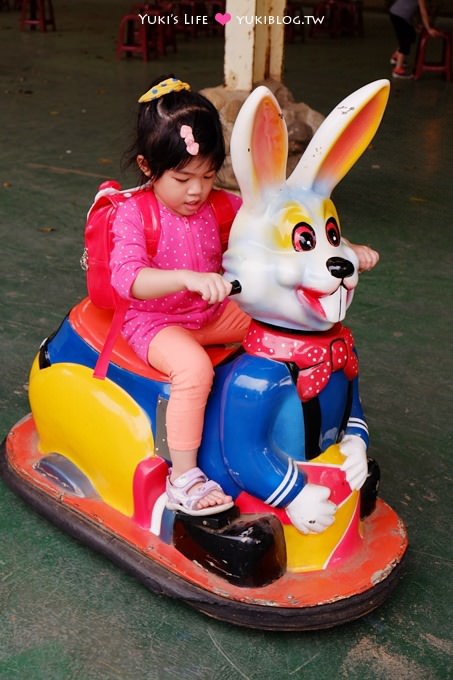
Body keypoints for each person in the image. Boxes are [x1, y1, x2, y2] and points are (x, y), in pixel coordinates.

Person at [110, 75, 380, 516]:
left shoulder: (223, 204)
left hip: (213, 311)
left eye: (208, 175)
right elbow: (128, 279)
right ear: (146, 167)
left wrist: (343, 250)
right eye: (182, 178)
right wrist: (184, 278)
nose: (196, 190)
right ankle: (184, 477)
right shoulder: (133, 213)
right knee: (194, 371)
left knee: (281, 327)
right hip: (157, 322)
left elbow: (285, 230)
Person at [388, 0, 442, 78]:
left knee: (411, 35)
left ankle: (396, 57)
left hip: (399, 15)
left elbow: (414, 9)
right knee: (405, 42)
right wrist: (428, 29)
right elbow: (423, 11)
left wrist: (417, 24)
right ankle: (397, 70)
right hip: (399, 16)